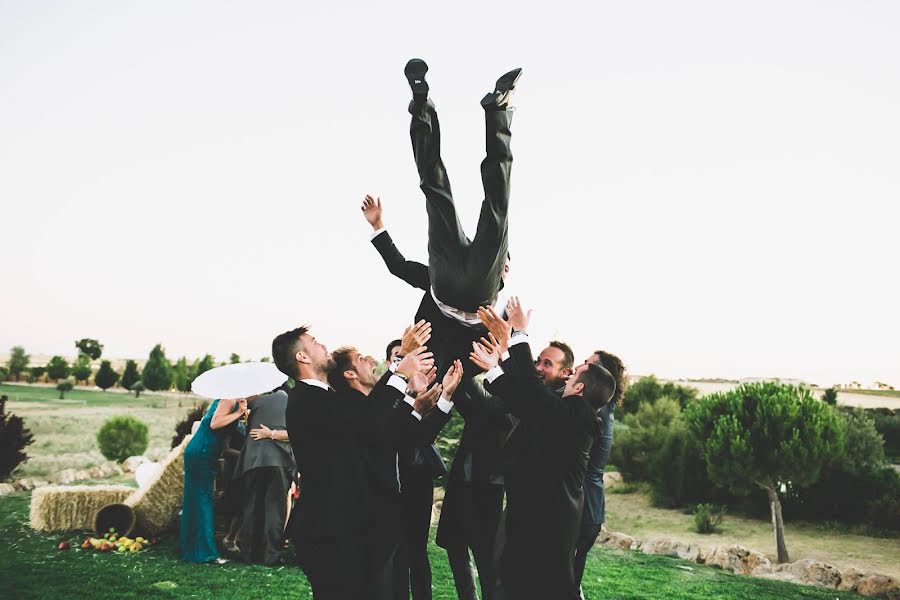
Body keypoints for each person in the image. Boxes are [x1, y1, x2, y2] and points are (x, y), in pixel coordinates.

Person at [271, 325, 434, 600]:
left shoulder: (325, 397)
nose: (323, 345)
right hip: (328, 531)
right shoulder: (307, 399)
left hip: (344, 528)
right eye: (314, 342)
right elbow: (368, 420)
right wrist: (400, 366)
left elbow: (373, 427)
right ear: (302, 357)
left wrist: (412, 401)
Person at [469, 299, 617, 600]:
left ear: (578, 389)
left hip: (547, 525)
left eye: (575, 374)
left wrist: (518, 334)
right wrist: (496, 368)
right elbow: (528, 403)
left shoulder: (580, 415)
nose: (571, 374)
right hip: (533, 517)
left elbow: (534, 396)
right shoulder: (566, 413)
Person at [438, 338, 573, 600]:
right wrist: (454, 378)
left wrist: (463, 365)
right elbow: (471, 406)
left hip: (491, 491)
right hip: (462, 485)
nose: (538, 367)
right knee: (455, 549)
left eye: (547, 363)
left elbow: (486, 405)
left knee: (488, 561)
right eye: (537, 361)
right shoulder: (510, 390)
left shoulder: (531, 401)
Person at [329, 345, 458, 600]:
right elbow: (385, 436)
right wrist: (410, 395)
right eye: (359, 358)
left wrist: (443, 398)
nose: (368, 358)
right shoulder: (352, 406)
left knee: (399, 573)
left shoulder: (371, 405)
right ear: (350, 375)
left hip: (393, 506)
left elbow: (410, 437)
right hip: (372, 512)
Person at [383, 339, 451, 600]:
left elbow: (424, 434)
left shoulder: (426, 391)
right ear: (390, 362)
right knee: (395, 550)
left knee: (417, 550)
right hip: (388, 482)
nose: (404, 361)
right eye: (398, 357)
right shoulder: (383, 394)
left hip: (417, 479)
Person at [573, 350, 627, 597]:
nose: (582, 365)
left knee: (566, 582)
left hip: (582, 506)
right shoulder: (604, 408)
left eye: (588, 363)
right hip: (590, 505)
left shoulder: (596, 410)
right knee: (570, 580)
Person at [180, 396, 249, 564]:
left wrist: (241, 417)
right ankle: (207, 554)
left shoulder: (230, 402)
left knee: (196, 500)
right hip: (202, 452)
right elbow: (214, 423)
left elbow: (224, 444)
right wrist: (238, 413)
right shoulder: (229, 399)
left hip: (203, 453)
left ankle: (191, 548)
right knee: (203, 501)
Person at [233, 388, 295, 566]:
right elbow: (296, 433)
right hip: (278, 461)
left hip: (253, 461)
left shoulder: (256, 401)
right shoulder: (289, 401)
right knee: (275, 510)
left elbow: (248, 429)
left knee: (252, 507)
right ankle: (271, 556)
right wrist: (273, 435)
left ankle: (248, 554)